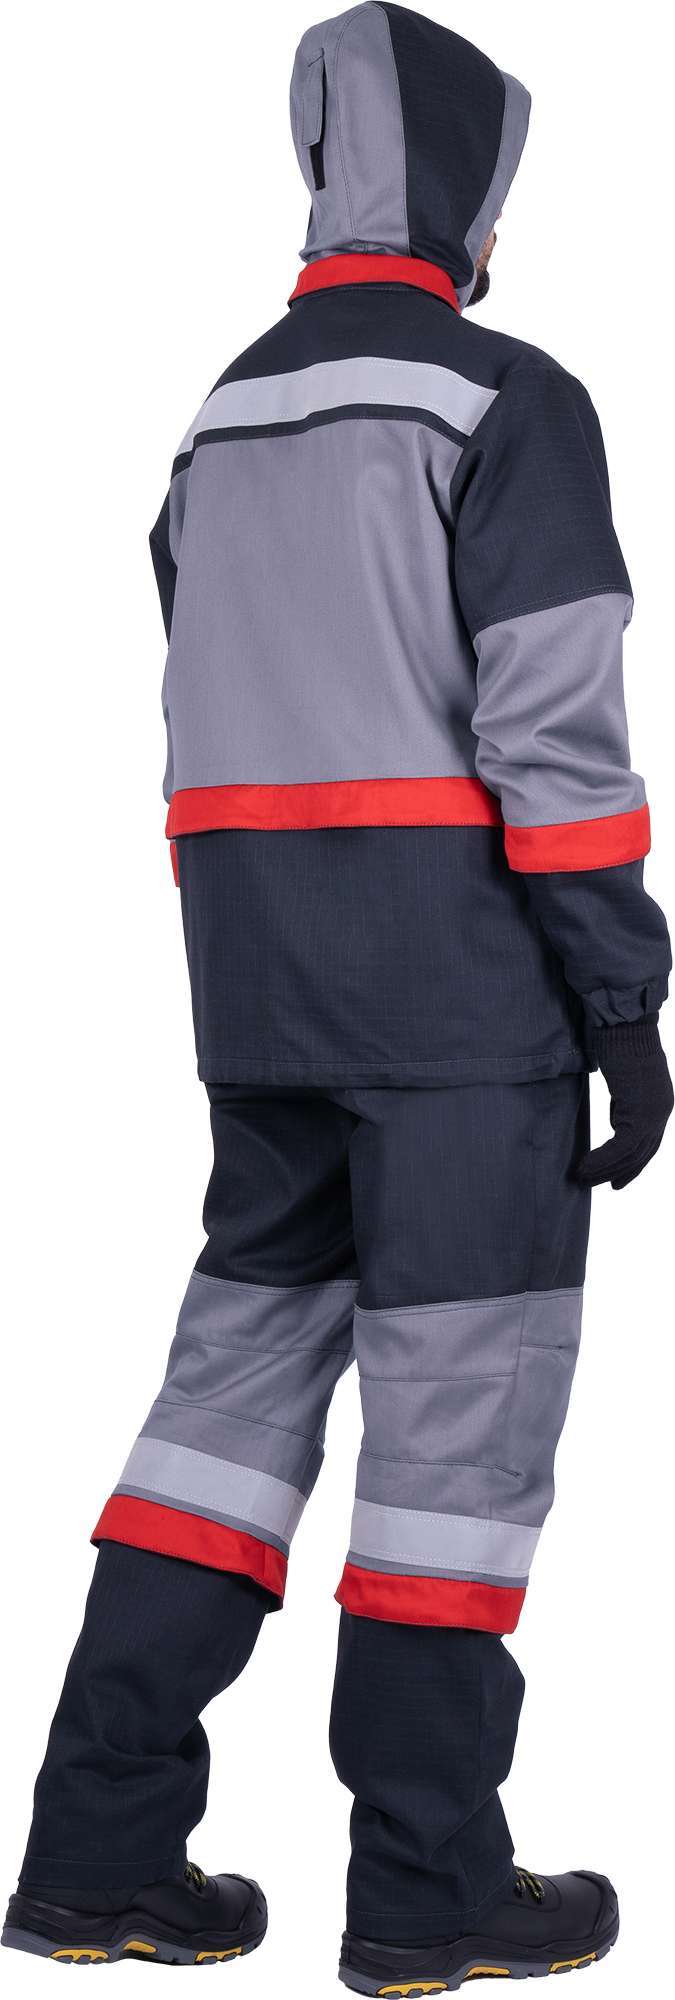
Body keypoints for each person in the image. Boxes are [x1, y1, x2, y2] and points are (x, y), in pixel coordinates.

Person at [3, 3, 672, 1985]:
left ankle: (97, 1852)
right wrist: (621, 998)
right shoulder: (504, 395)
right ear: (462, 183)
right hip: (460, 1015)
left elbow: (202, 690)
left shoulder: (223, 411)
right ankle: (425, 1890)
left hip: (259, 1002)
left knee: (221, 1414)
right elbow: (550, 729)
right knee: (454, 1456)